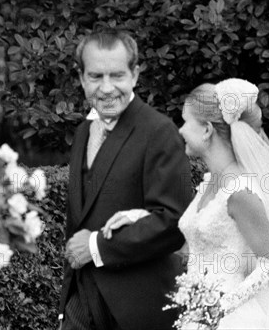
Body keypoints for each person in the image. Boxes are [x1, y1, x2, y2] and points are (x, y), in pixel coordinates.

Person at [102, 78, 269, 329]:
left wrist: (218, 309)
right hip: (198, 315)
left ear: (207, 130)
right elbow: (193, 243)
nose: (180, 131)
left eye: (186, 121)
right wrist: (140, 218)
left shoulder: (241, 193)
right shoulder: (210, 183)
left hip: (231, 319)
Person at [59, 29, 192, 330]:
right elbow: (76, 223)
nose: (106, 89)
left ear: (135, 74)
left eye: (117, 75)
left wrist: (97, 247)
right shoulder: (83, 132)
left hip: (139, 309)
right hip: (82, 303)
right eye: (96, 76)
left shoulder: (159, 131)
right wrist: (65, 307)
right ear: (81, 78)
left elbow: (175, 222)